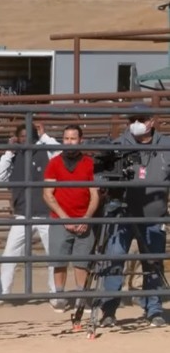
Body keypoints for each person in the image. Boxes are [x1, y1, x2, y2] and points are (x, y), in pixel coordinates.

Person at [99, 105, 168, 328]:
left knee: (153, 263)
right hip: (122, 213)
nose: (136, 123)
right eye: (133, 119)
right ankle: (109, 310)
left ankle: (154, 309)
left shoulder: (166, 145)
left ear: (151, 121)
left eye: (141, 119)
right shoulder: (118, 145)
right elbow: (102, 171)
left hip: (154, 216)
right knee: (115, 260)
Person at [0, 122, 60, 304]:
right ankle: (2, 294)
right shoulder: (15, 156)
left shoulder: (46, 151)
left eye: (27, 135)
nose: (24, 139)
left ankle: (55, 294)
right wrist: (9, 152)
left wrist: (44, 136)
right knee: (9, 254)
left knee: (53, 255)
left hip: (46, 213)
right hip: (23, 214)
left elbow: (59, 151)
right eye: (21, 136)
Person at [42, 125, 99, 313]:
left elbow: (95, 195)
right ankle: (59, 296)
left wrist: (86, 218)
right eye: (66, 138)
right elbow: (48, 194)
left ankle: (81, 296)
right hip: (60, 219)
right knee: (59, 259)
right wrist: (64, 218)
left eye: (73, 138)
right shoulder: (55, 163)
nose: (69, 142)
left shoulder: (89, 163)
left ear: (80, 140)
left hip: (83, 218)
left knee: (82, 261)